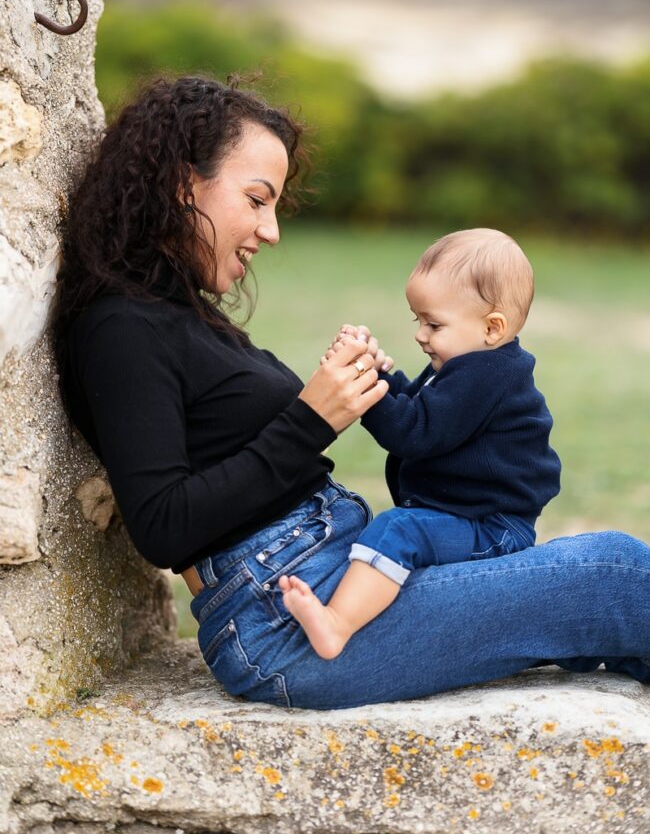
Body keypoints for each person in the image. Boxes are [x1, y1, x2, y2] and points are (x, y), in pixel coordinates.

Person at [53, 74, 650, 712]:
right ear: (180, 182)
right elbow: (164, 526)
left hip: (331, 576)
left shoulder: (178, 312)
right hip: (286, 621)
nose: (271, 229)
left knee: (603, 590)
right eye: (257, 200)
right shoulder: (120, 325)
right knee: (609, 575)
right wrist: (313, 417)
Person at [279, 228, 561, 659]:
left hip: (493, 527)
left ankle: (336, 625)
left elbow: (414, 431)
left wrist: (363, 392)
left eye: (433, 323)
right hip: (471, 514)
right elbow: (420, 405)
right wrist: (375, 372)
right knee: (400, 529)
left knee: (398, 528)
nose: (420, 334)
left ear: (492, 327)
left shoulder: (487, 375)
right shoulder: (473, 364)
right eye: (418, 321)